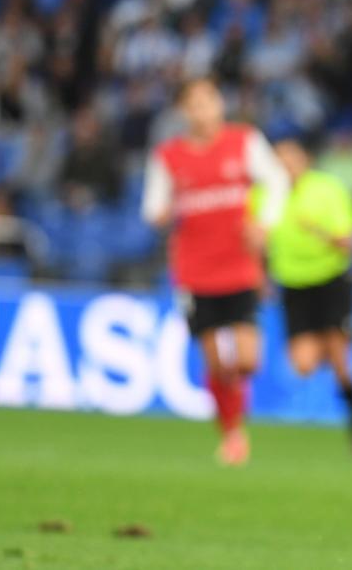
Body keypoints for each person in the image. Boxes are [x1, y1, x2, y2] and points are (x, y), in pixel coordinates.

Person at [142, 77, 288, 465]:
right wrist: (162, 213)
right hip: (194, 272)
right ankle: (233, 434)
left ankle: (235, 403)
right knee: (215, 361)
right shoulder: (169, 156)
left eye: (208, 101)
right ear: (183, 112)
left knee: (247, 360)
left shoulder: (244, 141)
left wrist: (264, 224)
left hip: (240, 266)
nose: (202, 110)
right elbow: (152, 208)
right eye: (194, 104)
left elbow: (277, 181)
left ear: (220, 104)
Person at [258, 137, 352, 454]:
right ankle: (331, 337)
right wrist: (260, 274)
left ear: (304, 160)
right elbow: (254, 238)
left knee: (340, 359)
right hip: (292, 285)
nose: (285, 166)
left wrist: (317, 231)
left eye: (289, 159)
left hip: (332, 280)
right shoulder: (263, 195)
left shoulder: (328, 189)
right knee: (303, 364)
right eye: (278, 161)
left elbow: (350, 242)